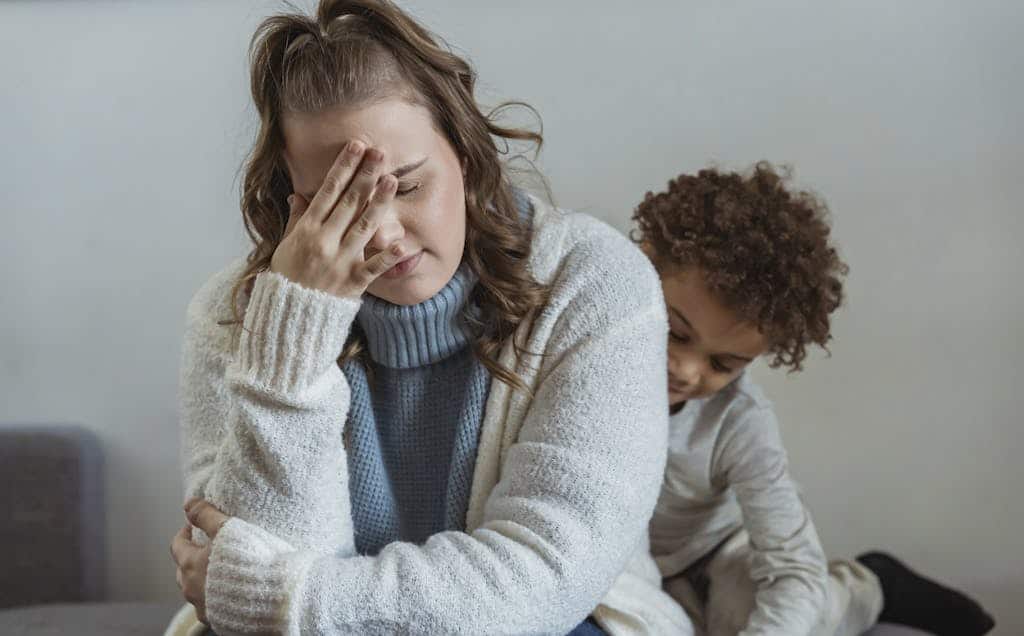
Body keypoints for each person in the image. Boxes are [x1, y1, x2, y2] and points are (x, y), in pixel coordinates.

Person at [166, 1, 691, 634]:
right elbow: (249, 571)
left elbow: (539, 582)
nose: (382, 235)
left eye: (408, 187)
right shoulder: (234, 315)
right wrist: (295, 334)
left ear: (465, 155)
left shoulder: (594, 284)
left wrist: (288, 600)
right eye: (337, 202)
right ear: (294, 198)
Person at [635, 162, 996, 636]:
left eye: (723, 364)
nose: (686, 369)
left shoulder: (739, 422)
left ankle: (870, 584)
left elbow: (792, 566)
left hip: (719, 550)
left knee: (790, 615)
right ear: (639, 263)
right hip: (636, 569)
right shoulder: (582, 356)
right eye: (676, 332)